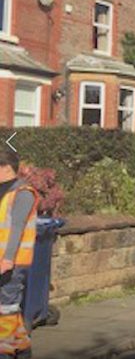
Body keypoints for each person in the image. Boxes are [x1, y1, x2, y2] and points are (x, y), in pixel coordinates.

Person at [0, 150, 36, 359]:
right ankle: (22, 349)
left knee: (5, 308)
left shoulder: (23, 193)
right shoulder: (4, 192)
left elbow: (17, 227)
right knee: (8, 310)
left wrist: (7, 259)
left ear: (5, 167)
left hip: (12, 263)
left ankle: (4, 353)